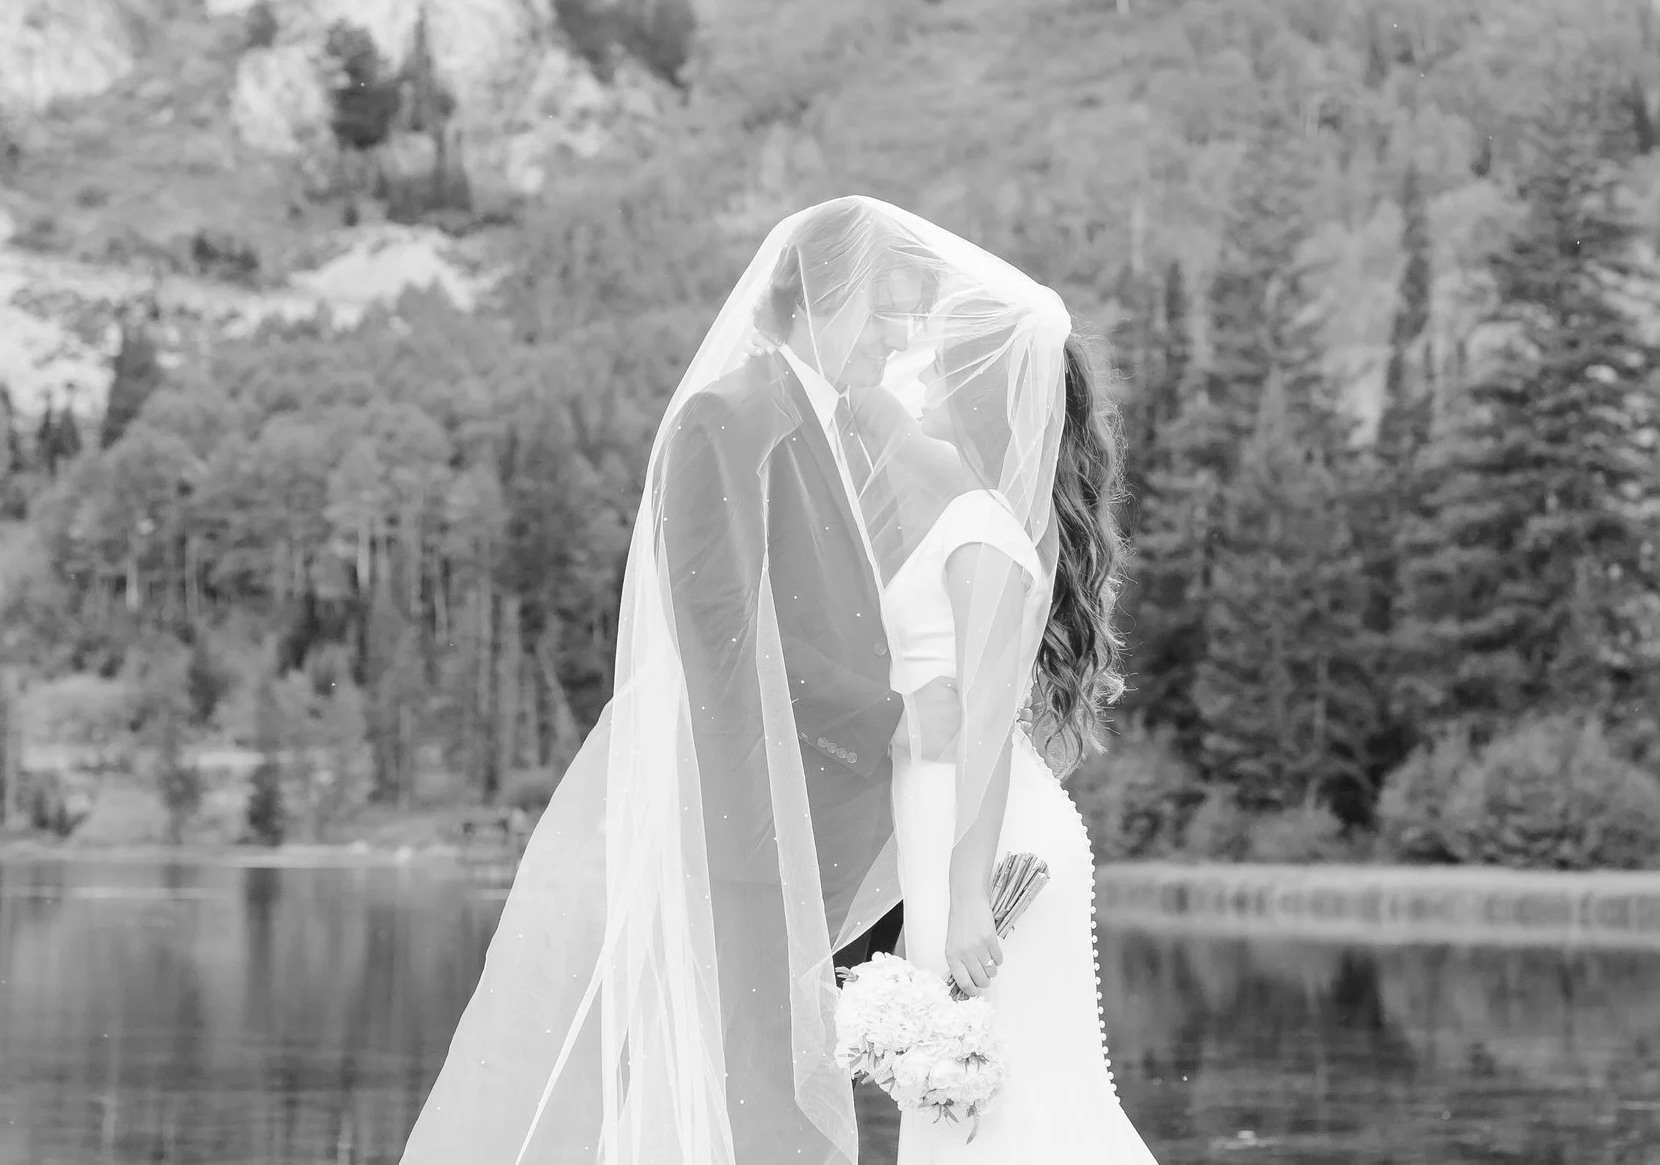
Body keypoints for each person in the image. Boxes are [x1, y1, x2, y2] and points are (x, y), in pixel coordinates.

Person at [397, 196, 959, 1165]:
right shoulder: (727, 416)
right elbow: (723, 637)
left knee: (788, 1094)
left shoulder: (843, 429)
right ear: (829, 299)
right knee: (754, 1100)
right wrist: (892, 717)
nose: (895, 339)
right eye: (885, 311)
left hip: (830, 829)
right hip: (743, 834)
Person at [850, 296, 1158, 1162]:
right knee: (978, 1110)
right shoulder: (964, 501)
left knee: (1014, 1111)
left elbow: (984, 721)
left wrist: (965, 894)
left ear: (984, 393)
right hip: (955, 829)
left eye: (945, 361)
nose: (926, 372)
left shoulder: (984, 533)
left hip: (992, 848)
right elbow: (867, 408)